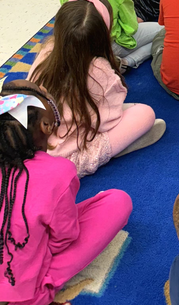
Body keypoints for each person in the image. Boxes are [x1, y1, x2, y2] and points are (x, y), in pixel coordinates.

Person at [0, 79, 132, 305]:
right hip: (26, 292)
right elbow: (64, 238)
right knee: (118, 201)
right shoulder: (58, 172)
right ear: (45, 127)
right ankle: (43, 290)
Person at [29, 0, 165, 177]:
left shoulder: (46, 51)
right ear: (102, 35)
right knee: (144, 113)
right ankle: (104, 153)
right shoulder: (100, 69)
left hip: (34, 145)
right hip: (69, 157)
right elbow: (109, 120)